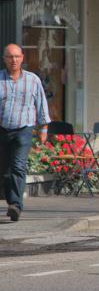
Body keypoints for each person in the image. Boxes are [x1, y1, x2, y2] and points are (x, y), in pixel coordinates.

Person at [0, 44, 50, 222]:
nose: (13, 60)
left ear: (22, 58)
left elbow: (41, 103)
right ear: (4, 59)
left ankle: (15, 205)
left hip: (24, 128)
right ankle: (11, 201)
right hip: (3, 129)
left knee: (18, 166)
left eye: (16, 57)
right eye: (9, 57)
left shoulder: (32, 80)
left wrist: (43, 127)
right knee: (5, 169)